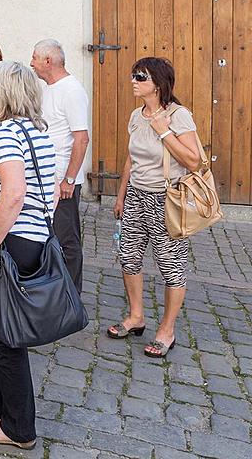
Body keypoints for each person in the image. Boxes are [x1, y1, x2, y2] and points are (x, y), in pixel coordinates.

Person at [0, 60, 55, 450]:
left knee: (6, 336)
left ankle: (18, 428)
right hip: (24, 241)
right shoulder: (35, 130)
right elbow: (34, 191)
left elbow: (15, 195)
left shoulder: (5, 134)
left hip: (7, 245)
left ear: (2, 93)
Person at [108, 57, 201, 358]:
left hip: (167, 199)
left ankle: (167, 330)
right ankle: (136, 317)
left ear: (158, 84)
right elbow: (130, 159)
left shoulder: (178, 115)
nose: (133, 81)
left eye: (140, 77)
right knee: (129, 258)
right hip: (136, 196)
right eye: (133, 75)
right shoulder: (136, 115)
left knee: (171, 267)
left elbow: (194, 161)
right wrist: (121, 196)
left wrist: (164, 131)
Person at [30, 39, 90, 291]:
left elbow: (81, 138)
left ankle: (71, 294)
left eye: (34, 58)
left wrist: (69, 179)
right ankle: (51, 288)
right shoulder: (47, 88)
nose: (31, 63)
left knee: (67, 238)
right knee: (47, 234)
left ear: (48, 61)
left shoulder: (72, 90)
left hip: (62, 179)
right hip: (46, 176)